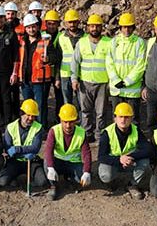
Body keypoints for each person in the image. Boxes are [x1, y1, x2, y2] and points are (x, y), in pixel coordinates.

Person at [98, 101, 151, 198]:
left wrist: (131, 157)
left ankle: (132, 185)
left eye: (126, 117)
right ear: (115, 118)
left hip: (130, 162)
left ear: (131, 118)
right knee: (105, 175)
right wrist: (119, 159)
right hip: (114, 162)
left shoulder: (136, 130)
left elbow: (147, 150)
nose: (123, 120)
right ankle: (112, 181)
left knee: (145, 162)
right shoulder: (107, 133)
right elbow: (101, 157)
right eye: (120, 117)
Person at [71, 13, 111, 141]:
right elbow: (75, 61)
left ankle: (99, 135)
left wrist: (111, 81)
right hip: (85, 82)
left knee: (101, 112)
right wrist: (74, 78)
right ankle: (86, 134)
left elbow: (112, 63)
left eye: (97, 26)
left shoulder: (108, 43)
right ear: (87, 28)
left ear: (101, 27)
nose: (94, 29)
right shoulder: (81, 42)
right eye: (91, 26)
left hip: (102, 83)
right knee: (85, 111)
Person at [43, 103, 92, 200]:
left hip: (73, 163)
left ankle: (69, 177)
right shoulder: (54, 131)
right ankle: (53, 186)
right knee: (46, 164)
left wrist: (87, 172)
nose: (68, 125)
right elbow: (48, 151)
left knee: (83, 181)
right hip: (58, 161)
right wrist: (51, 167)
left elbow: (86, 153)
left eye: (71, 122)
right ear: (60, 120)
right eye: (65, 122)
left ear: (75, 121)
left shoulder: (81, 133)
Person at [17, 14, 59, 126]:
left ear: (37, 27)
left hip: (40, 80)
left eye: (33, 26)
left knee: (40, 105)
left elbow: (55, 56)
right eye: (29, 27)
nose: (31, 29)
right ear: (25, 28)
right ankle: (29, 127)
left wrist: (48, 58)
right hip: (26, 79)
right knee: (28, 106)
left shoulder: (45, 41)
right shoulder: (22, 41)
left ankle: (41, 127)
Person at [106, 13, 147, 124]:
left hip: (132, 90)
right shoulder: (114, 42)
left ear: (133, 27)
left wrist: (127, 81)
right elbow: (109, 62)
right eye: (124, 27)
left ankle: (134, 141)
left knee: (132, 119)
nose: (127, 29)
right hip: (117, 89)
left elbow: (140, 65)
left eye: (129, 27)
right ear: (120, 28)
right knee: (117, 118)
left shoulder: (139, 43)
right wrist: (115, 80)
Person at [0, 99, 47, 192]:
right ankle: (14, 179)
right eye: (28, 115)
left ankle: (31, 179)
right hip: (14, 161)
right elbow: (8, 149)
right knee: (3, 181)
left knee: (42, 182)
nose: (30, 118)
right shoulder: (10, 127)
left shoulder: (38, 128)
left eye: (33, 116)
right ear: (21, 114)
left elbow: (35, 148)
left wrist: (17, 150)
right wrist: (22, 152)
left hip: (31, 160)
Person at [55, 9, 83, 112]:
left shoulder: (85, 38)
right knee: (67, 103)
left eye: (74, 22)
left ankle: (81, 124)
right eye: (70, 22)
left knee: (82, 103)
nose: (72, 24)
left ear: (78, 22)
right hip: (65, 75)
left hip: (81, 75)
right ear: (66, 23)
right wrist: (57, 78)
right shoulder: (61, 38)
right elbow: (58, 59)